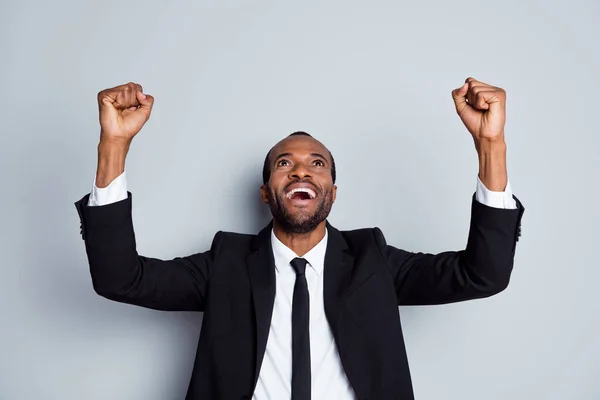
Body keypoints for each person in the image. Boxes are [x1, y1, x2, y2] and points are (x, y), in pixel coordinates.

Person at [74, 78, 524, 400]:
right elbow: (120, 278)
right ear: (267, 191)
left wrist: (492, 145)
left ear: (332, 190)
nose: (303, 170)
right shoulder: (225, 262)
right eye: (285, 164)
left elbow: (481, 275)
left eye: (317, 164)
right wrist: (113, 145)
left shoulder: (375, 260)